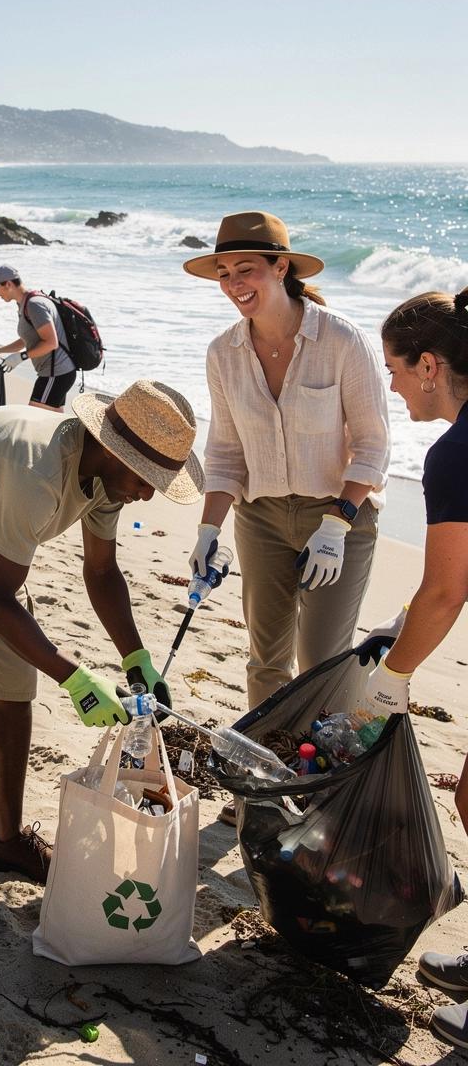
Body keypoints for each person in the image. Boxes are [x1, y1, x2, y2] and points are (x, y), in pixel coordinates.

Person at [0, 378, 203, 951]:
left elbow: (100, 572)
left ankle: (3, 839)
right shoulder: (36, 469)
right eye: (148, 480)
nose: (149, 495)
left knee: (16, 684)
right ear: (114, 450)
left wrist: (136, 657)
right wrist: (74, 676)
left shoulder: (106, 481)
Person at [184, 212, 390, 821]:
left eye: (245, 269)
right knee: (265, 658)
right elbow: (223, 451)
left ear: (282, 267)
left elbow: (375, 446)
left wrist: (337, 524)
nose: (233, 283)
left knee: (323, 663)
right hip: (262, 519)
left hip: (342, 520)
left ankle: (317, 788)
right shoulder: (223, 352)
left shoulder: (342, 340)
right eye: (223, 273)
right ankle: (261, 781)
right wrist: (208, 530)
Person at [365, 287, 468, 1050]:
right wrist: (398, 628)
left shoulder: (456, 452)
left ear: (430, 365)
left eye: (396, 370)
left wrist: (392, 677)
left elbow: (445, 591)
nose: (393, 386)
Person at [0, 264, 77, 412]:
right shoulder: (24, 303)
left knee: (32, 419)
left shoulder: (34, 305)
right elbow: (27, 340)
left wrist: (21, 357)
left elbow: (51, 343)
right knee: (55, 423)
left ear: (8, 284)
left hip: (55, 373)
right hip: (57, 373)